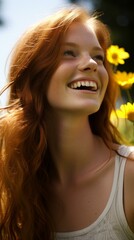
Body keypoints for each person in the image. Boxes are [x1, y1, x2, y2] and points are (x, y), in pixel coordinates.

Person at [0, 5, 134, 240]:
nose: (92, 63)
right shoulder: (9, 186)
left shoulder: (130, 177)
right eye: (69, 53)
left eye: (98, 57)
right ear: (34, 76)